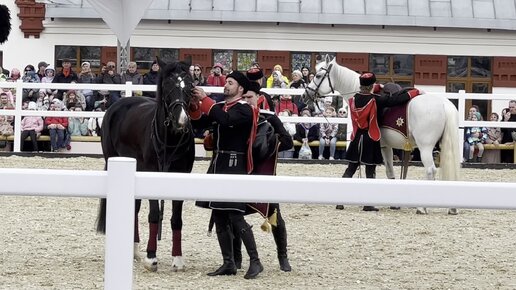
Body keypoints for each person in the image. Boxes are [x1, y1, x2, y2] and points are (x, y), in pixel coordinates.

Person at [189, 71, 263, 279]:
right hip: (219, 163)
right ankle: (228, 263)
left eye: (230, 83)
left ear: (240, 89)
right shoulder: (222, 107)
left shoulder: (244, 110)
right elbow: (199, 124)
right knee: (220, 216)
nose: (226, 85)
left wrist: (204, 99)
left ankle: (255, 261)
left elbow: (225, 119)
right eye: (226, 82)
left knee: (235, 215)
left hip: (234, 163)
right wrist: (195, 106)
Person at [234, 81, 293, 272]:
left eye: (249, 97)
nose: (245, 101)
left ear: (259, 98)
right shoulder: (238, 117)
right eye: (243, 98)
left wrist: (269, 143)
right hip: (242, 173)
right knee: (233, 214)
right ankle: (237, 258)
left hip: (264, 171)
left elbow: (288, 142)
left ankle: (282, 256)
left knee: (274, 214)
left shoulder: (270, 119)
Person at [342, 72, 420, 212]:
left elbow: (368, 91)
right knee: (370, 171)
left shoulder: (353, 99)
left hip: (357, 137)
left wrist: (377, 87)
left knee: (350, 169)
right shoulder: (376, 99)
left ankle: (339, 201)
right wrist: (414, 92)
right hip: (370, 138)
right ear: (372, 85)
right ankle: (368, 204)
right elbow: (395, 100)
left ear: (361, 85)